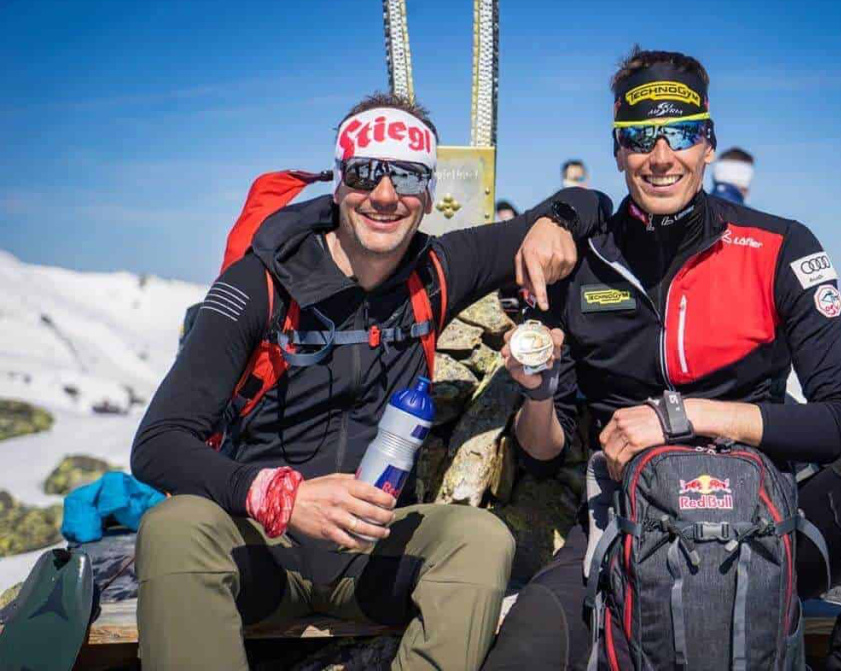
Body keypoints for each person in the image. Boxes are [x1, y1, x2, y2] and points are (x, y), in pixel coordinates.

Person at [485, 48, 841, 671]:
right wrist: (538, 390)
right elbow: (541, 451)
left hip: (771, 522)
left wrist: (684, 416)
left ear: (708, 144)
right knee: (523, 655)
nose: (661, 156)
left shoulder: (778, 247)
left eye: (682, 134)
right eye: (639, 137)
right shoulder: (582, 260)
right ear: (617, 152)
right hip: (626, 523)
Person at [131, 92, 609, 671]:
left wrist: (554, 222)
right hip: (260, 544)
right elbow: (158, 443)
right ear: (338, 185)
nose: (385, 195)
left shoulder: (437, 270)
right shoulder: (259, 281)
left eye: (407, 177)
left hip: (372, 549)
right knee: (173, 527)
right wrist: (284, 497)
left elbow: (592, 201)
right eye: (364, 173)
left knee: (479, 539)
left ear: (429, 193)